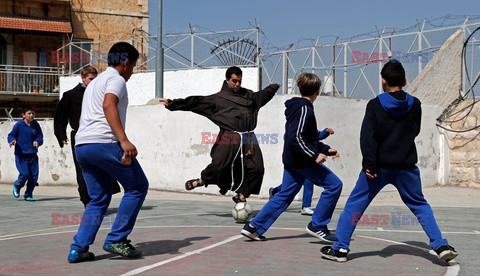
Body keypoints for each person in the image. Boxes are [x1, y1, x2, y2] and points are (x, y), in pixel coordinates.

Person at [320, 59, 458, 263]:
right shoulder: (415, 104)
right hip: (406, 166)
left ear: (383, 81)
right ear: (405, 80)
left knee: (355, 204)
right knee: (419, 204)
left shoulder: (375, 104)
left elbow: (368, 137)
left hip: (379, 167)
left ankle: (340, 249)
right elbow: (415, 130)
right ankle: (440, 245)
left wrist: (369, 164)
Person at [67, 42, 149, 263]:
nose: (132, 72)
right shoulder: (116, 79)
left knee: (98, 198)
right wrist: (123, 140)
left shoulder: (95, 82)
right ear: (125, 63)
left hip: (83, 147)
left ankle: (78, 248)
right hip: (104, 143)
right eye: (133, 66)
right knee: (138, 186)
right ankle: (117, 238)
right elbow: (108, 105)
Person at [241, 72, 343, 242]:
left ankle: (253, 227)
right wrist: (314, 155)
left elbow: (307, 137)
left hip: (294, 160)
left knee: (284, 196)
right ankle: (318, 225)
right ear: (318, 91)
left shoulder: (299, 107)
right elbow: (295, 138)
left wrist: (325, 149)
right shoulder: (304, 108)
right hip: (302, 161)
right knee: (334, 185)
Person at [160, 66, 280, 203]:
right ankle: (201, 180)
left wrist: (273, 88)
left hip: (248, 139)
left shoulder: (249, 96)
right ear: (227, 80)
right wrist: (173, 104)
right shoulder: (218, 100)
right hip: (229, 137)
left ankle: (242, 195)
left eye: (240, 81)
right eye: (234, 81)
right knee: (219, 166)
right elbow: (196, 102)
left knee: (257, 168)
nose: (238, 84)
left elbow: (261, 97)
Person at [54, 65, 121, 208]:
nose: (93, 81)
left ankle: (102, 197)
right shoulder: (70, 95)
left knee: (104, 166)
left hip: (98, 135)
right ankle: (87, 200)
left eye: (95, 78)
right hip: (79, 136)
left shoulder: (100, 93)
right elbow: (60, 117)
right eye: (90, 79)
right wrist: (61, 135)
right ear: (83, 78)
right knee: (83, 169)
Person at [269, 127, 335, 215]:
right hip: (295, 161)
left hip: (305, 160)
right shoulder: (294, 127)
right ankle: (305, 206)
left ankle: (275, 192)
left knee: (299, 182)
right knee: (294, 183)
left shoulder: (307, 124)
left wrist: (326, 132)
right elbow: (291, 140)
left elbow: (317, 136)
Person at [7, 106, 44, 201]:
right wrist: (12, 140)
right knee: (25, 174)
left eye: (33, 113)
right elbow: (11, 135)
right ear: (23, 115)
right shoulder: (19, 125)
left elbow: (40, 137)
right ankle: (17, 185)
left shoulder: (36, 125)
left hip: (32, 154)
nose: (31, 115)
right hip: (21, 155)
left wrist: (37, 141)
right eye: (29, 113)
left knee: (34, 176)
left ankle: (28, 195)